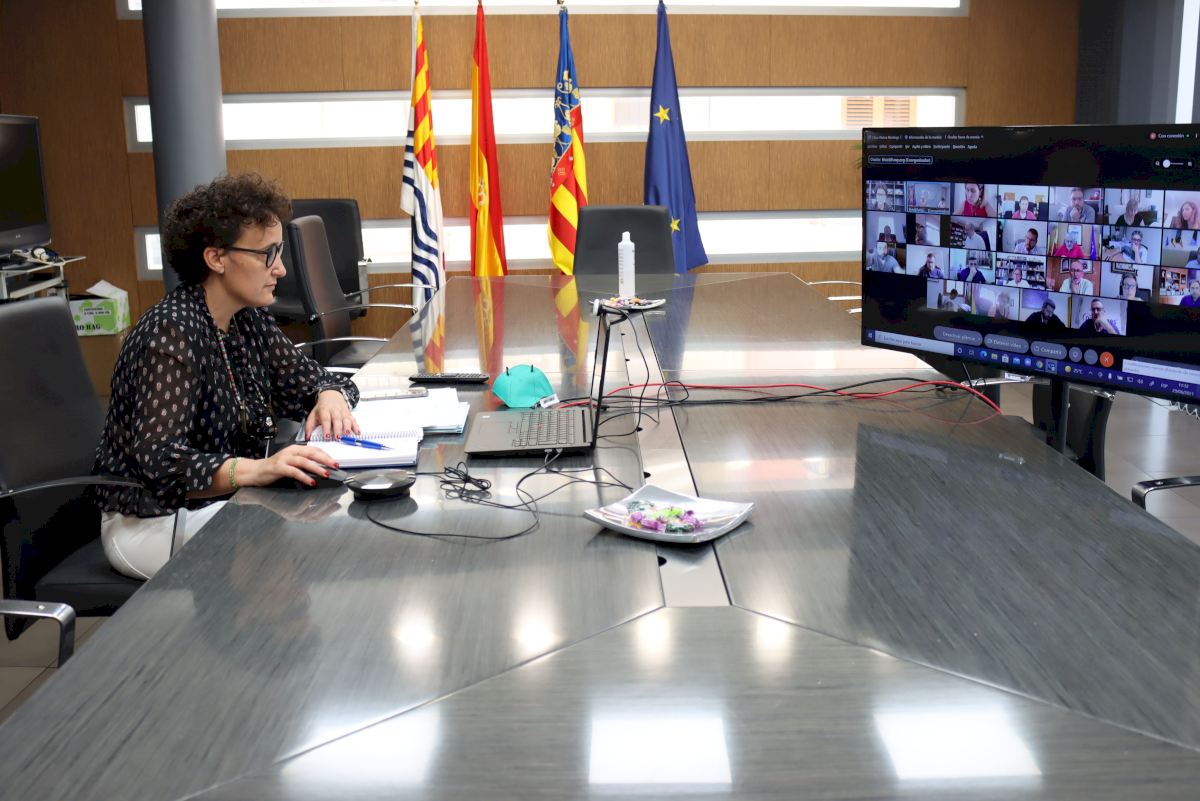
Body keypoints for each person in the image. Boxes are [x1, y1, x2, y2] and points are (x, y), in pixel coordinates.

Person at [90, 173, 362, 580]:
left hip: (222, 503)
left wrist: (329, 395)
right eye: (267, 254)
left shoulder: (247, 319)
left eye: (279, 252)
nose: (281, 269)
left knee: (312, 527)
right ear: (216, 258)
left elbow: (317, 381)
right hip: (150, 522)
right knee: (288, 548)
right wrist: (259, 469)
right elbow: (160, 464)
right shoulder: (170, 334)